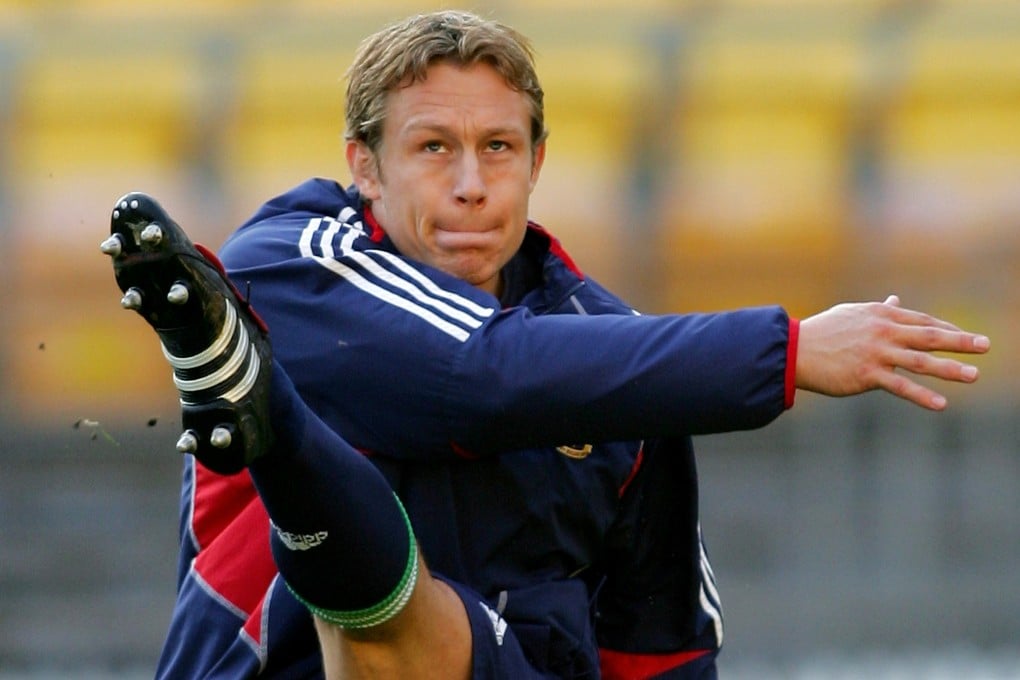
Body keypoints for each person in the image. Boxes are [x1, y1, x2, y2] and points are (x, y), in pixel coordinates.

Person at [101, 10, 990, 679]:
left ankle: (258, 404)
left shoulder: (622, 364)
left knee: (426, 622)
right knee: (379, 608)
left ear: (536, 163)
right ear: (363, 164)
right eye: (433, 148)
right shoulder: (286, 263)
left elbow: (660, 643)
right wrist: (788, 350)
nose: (471, 185)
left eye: (498, 147)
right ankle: (254, 401)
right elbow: (480, 377)